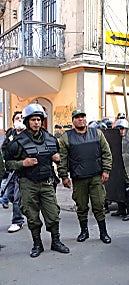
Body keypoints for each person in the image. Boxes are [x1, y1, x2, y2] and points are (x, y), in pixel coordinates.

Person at [4, 104, 70, 258]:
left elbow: (61, 157)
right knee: (32, 216)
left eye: (39, 119)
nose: (37, 122)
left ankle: (56, 241)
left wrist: (58, 160)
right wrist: (22, 163)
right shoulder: (17, 142)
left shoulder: (50, 139)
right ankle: (37, 244)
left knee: (53, 215)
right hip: (28, 183)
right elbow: (7, 164)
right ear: (27, 121)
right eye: (33, 119)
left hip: (47, 182)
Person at [58, 109, 113, 244]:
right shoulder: (66, 137)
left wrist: (106, 170)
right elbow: (62, 159)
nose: (80, 119)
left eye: (83, 116)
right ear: (73, 121)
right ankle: (84, 231)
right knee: (81, 206)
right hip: (79, 179)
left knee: (99, 205)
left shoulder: (97, 133)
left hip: (96, 177)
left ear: (86, 119)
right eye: (77, 117)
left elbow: (106, 153)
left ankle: (103, 233)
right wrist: (64, 176)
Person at [1, 111, 26, 233]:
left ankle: (17, 221)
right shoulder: (11, 134)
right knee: (10, 194)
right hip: (11, 170)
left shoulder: (28, 134)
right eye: (17, 118)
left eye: (22, 117)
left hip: (23, 171)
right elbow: (4, 147)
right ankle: (25, 209)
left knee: (17, 197)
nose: (20, 119)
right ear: (13, 121)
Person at [111, 119, 129, 221]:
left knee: (127, 191)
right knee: (118, 189)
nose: (121, 131)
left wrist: (121, 156)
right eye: (119, 129)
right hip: (117, 168)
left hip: (128, 169)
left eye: (122, 129)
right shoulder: (116, 140)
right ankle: (121, 210)